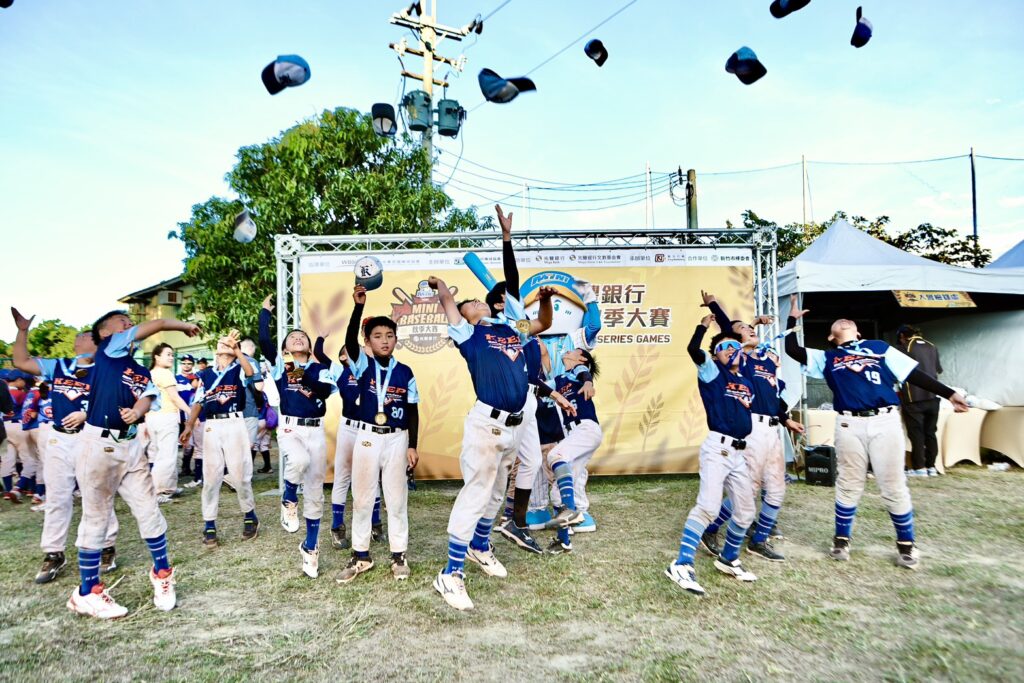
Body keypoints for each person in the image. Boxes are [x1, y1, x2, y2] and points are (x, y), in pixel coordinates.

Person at [785, 296, 969, 570]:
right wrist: (792, 319)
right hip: (849, 424)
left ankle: (906, 544)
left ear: (858, 332)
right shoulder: (827, 357)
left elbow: (913, 374)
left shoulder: (879, 348)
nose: (844, 321)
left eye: (849, 322)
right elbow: (792, 349)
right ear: (831, 337)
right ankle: (841, 540)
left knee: (892, 483)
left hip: (885, 420)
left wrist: (950, 393)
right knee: (848, 482)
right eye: (838, 324)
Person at [428, 274, 575, 611]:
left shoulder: (512, 329)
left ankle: (479, 546)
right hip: (486, 425)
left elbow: (542, 323)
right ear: (465, 315)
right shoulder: (468, 334)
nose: (476, 302)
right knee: (476, 492)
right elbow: (449, 304)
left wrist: (545, 299)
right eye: (469, 304)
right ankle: (450, 573)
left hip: (514, 425)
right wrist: (441, 286)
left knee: (496, 491)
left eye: (477, 300)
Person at [68, 309, 199, 618]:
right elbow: (160, 323)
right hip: (99, 443)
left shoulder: (137, 369)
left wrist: (137, 412)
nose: (129, 324)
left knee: (149, 510)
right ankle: (87, 592)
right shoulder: (109, 348)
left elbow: (147, 397)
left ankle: (162, 573)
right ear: (105, 333)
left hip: (130, 446)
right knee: (96, 516)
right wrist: (183, 325)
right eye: (122, 321)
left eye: (129, 321)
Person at [10, 313, 121, 584]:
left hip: (90, 437)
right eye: (79, 335)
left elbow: (116, 404)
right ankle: (53, 552)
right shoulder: (58, 365)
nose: (79, 337)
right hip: (59, 438)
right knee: (58, 496)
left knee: (96, 493)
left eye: (85, 334)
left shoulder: (106, 369)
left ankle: (106, 546)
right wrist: (23, 331)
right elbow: (20, 361)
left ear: (96, 342)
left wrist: (87, 414)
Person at [699, 291, 804, 562]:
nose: (749, 329)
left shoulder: (765, 360)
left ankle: (759, 539)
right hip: (752, 428)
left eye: (750, 327)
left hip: (772, 429)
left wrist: (785, 419)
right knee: (749, 487)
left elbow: (773, 398)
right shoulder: (739, 362)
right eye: (743, 328)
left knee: (777, 487)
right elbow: (728, 328)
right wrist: (714, 304)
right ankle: (710, 529)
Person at [665, 315, 759, 596]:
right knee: (708, 506)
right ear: (715, 355)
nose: (731, 349)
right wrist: (703, 327)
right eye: (723, 347)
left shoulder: (746, 380)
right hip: (718, 448)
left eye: (734, 346)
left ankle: (728, 559)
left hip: (739, 452)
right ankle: (681, 564)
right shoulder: (712, 372)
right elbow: (694, 350)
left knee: (745, 511)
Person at [335, 285, 419, 583]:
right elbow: (349, 341)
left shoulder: (406, 372)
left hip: (397, 437)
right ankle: (361, 556)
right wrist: (358, 307)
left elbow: (412, 410)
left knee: (396, 498)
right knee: (362, 497)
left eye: (389, 335)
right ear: (368, 341)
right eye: (377, 336)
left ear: (396, 339)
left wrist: (412, 445)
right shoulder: (362, 365)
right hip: (368, 437)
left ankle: (399, 555)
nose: (384, 340)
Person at [258, 294, 336, 578]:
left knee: (315, 491)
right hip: (290, 427)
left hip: (316, 430)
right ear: (285, 348)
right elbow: (264, 341)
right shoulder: (282, 366)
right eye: (292, 337)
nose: (297, 338)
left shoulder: (320, 368)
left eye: (302, 336)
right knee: (299, 460)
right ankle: (289, 498)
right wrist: (265, 313)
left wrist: (307, 372)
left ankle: (310, 547)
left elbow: (324, 391)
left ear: (309, 346)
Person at [181, 331, 260, 547]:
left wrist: (237, 350)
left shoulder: (239, 368)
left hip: (234, 422)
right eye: (222, 341)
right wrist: (189, 425)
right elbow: (199, 401)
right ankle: (209, 523)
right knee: (211, 476)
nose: (225, 343)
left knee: (240, 474)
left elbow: (250, 373)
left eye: (230, 342)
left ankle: (249, 515)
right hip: (212, 425)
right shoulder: (205, 374)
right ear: (215, 349)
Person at [310, 331, 385, 552]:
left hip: (369, 428)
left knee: (372, 475)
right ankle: (337, 526)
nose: (356, 351)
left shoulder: (372, 368)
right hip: (349, 427)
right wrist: (321, 337)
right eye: (350, 350)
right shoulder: (339, 370)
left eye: (359, 349)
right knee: (343, 475)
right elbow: (318, 353)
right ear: (343, 357)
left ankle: (376, 523)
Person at [543, 349, 603, 554]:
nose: (567, 351)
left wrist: (588, 382)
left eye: (573, 350)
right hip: (572, 434)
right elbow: (542, 388)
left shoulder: (578, 371)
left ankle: (572, 512)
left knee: (555, 455)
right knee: (558, 492)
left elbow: (584, 373)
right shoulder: (559, 379)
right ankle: (564, 540)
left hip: (585, 428)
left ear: (582, 358)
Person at [896, 325, 943, 477]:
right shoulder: (932, 346)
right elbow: (938, 370)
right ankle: (931, 467)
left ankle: (919, 467)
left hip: (913, 398)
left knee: (916, 433)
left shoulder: (904, 347)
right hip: (933, 397)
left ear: (902, 336)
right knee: (930, 433)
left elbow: (896, 372)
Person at [146, 344, 190, 503]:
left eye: (172, 354)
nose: (171, 357)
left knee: (161, 454)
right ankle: (157, 492)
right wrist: (192, 413)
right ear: (157, 357)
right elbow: (175, 397)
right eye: (168, 354)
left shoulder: (150, 373)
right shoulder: (165, 373)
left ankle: (169, 487)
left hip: (152, 418)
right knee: (167, 456)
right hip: (165, 417)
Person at [1, 369, 37, 503]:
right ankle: (24, 488)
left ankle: (7, 490)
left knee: (7, 459)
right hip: (18, 426)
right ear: (18, 380)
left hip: (3, 426)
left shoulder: (3, 390)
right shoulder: (20, 393)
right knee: (29, 459)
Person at [239, 337, 269, 473]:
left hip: (231, 410)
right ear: (250, 348)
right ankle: (243, 475)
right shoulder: (251, 361)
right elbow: (259, 387)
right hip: (248, 407)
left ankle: (231, 473)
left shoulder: (231, 361)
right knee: (248, 444)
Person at [176, 355, 201, 486]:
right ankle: (184, 467)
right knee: (183, 441)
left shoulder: (197, 377)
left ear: (193, 365)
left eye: (189, 363)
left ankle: (189, 467)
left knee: (192, 442)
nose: (186, 365)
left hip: (193, 414)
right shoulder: (175, 378)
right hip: (179, 414)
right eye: (184, 363)